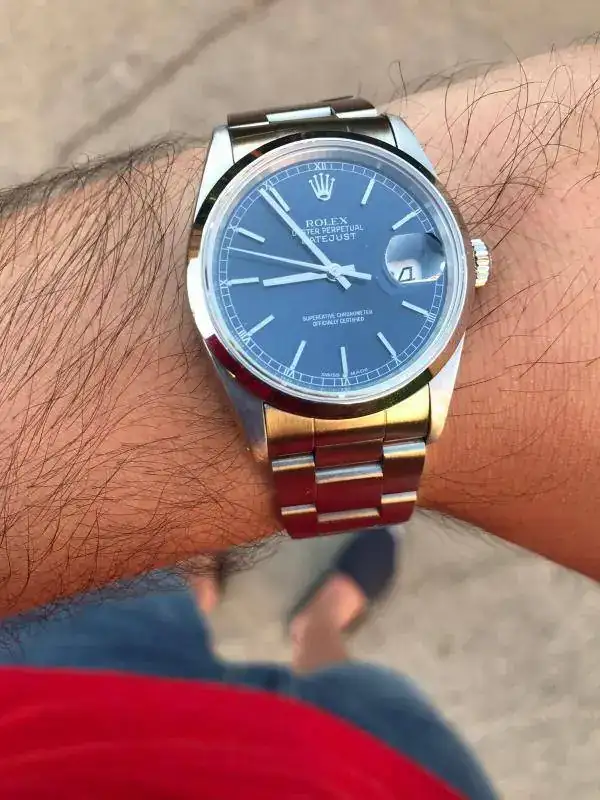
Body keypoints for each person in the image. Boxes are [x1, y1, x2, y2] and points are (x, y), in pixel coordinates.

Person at [0, 43, 599, 797]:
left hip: (48, 724)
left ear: (470, 262)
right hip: (360, 773)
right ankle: (314, 631)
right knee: (360, 698)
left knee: (112, 611)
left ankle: (216, 590)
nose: (341, 277)